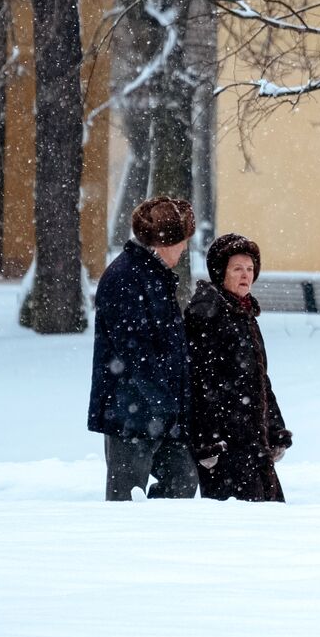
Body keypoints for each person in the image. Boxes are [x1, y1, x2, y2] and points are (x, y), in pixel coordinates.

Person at [87, 196, 199, 501]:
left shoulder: (156, 277)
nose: (185, 248)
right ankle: (125, 545)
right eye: (182, 240)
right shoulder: (124, 278)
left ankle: (160, 539)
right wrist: (163, 401)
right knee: (127, 496)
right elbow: (135, 354)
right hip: (131, 414)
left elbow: (168, 348)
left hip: (161, 413)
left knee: (183, 478)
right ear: (165, 241)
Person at [185, 233, 293, 501]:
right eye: (237, 269)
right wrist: (208, 443)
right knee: (238, 528)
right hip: (226, 447)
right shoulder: (207, 314)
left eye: (250, 269)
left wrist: (275, 429)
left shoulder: (244, 315)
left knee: (269, 518)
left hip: (253, 442)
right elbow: (201, 382)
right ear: (221, 272)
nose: (246, 275)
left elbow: (260, 381)